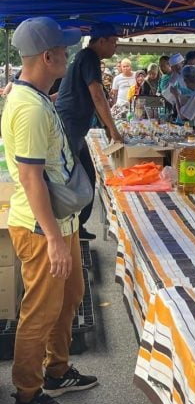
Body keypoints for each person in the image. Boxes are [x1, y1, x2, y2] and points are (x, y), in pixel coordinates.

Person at [2, 17, 98, 404]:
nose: (69, 54)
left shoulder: (37, 97)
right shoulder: (28, 108)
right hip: (43, 228)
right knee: (39, 310)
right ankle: (27, 395)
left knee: (70, 295)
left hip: (62, 221)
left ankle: (57, 371)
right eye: (64, 49)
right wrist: (55, 239)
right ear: (48, 56)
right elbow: (29, 177)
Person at [56, 23, 124, 241]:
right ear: (101, 41)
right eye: (113, 42)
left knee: (84, 174)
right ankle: (71, 229)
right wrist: (114, 131)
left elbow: (69, 91)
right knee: (79, 178)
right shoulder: (89, 58)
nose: (115, 47)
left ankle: (77, 227)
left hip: (72, 125)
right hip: (70, 127)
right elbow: (97, 95)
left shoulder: (84, 58)